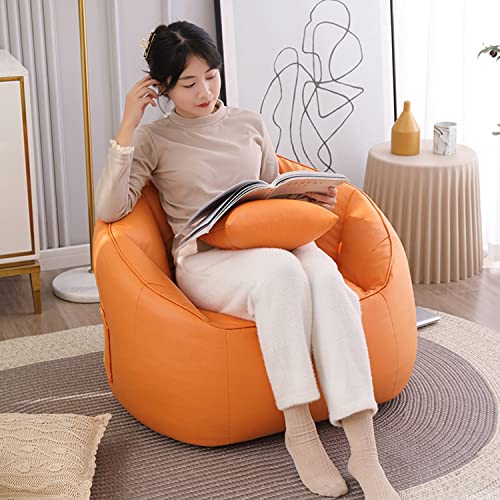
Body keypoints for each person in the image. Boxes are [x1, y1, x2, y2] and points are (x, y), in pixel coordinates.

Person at [95, 21, 400, 500]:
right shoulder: (154, 139)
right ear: (163, 87)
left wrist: (304, 199)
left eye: (211, 76)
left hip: (272, 241)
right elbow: (111, 209)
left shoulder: (249, 122)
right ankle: (299, 432)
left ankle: (365, 452)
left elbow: (269, 192)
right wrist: (128, 125)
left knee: (327, 279)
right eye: (188, 83)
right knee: (281, 275)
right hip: (208, 258)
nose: (205, 92)